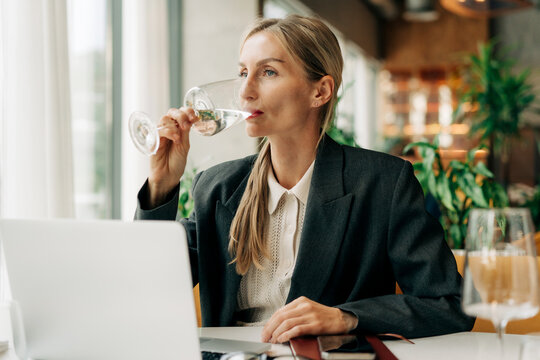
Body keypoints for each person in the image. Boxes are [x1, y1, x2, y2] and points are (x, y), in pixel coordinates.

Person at [135, 14, 474, 343]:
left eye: (268, 72)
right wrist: (161, 185)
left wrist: (346, 317)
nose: (245, 91)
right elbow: (147, 286)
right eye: (243, 72)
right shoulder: (217, 186)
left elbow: (449, 303)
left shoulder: (383, 183)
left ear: (320, 91)